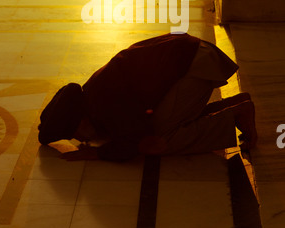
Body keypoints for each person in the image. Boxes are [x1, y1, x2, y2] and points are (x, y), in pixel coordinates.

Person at [38, 33, 258, 162]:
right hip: (191, 57)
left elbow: (141, 141)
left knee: (162, 139)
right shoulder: (93, 95)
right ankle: (235, 105)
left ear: (82, 120)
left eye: (77, 134)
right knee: (167, 120)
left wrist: (96, 154)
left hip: (194, 64)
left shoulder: (103, 105)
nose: (82, 140)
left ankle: (236, 114)